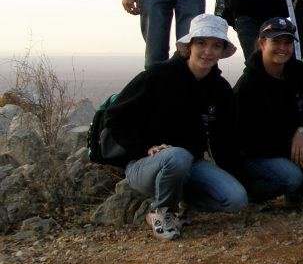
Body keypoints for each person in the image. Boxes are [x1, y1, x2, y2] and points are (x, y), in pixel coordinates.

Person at [103, 14, 247, 241]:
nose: (208, 51)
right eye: (201, 43)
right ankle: (160, 211)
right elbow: (115, 117)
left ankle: (180, 201)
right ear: (189, 46)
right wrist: (144, 147)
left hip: (191, 164)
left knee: (236, 198)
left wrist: (237, 176)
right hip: (145, 164)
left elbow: (223, 138)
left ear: (221, 52)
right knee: (177, 156)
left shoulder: (219, 90)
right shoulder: (158, 76)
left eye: (215, 46)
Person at [233, 17, 303, 212]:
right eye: (276, 42)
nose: (283, 48)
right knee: (291, 177)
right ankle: (253, 193)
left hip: (293, 143)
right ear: (262, 43)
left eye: (287, 42)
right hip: (259, 154)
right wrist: (291, 149)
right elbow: (247, 140)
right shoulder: (247, 86)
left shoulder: (300, 72)